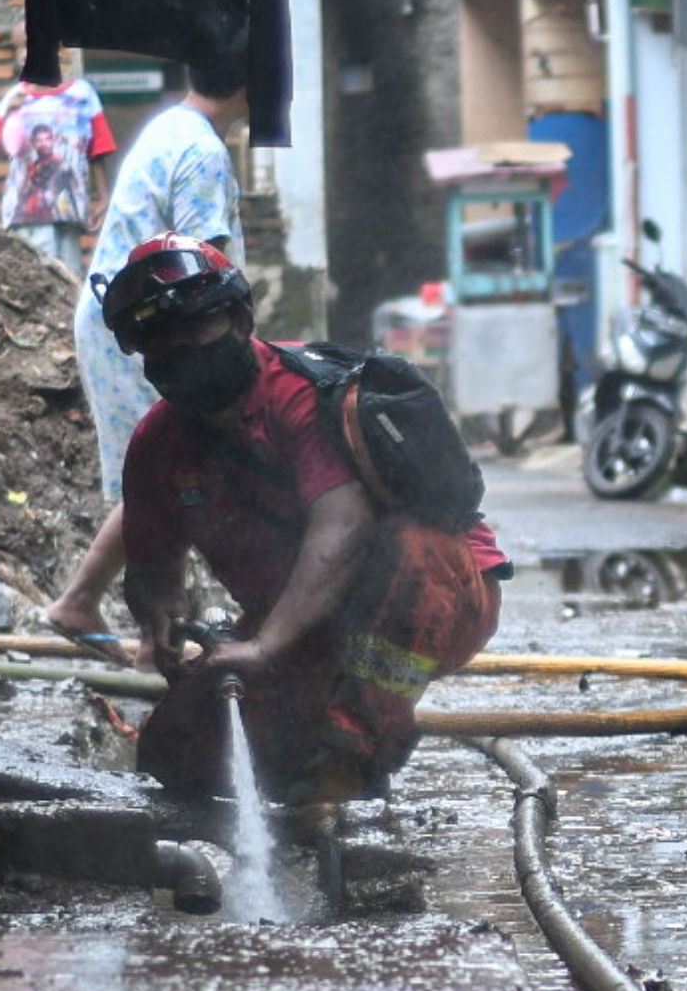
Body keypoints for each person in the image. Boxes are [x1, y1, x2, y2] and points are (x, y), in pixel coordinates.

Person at [96, 236, 507, 805]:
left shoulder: (298, 395)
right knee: (178, 759)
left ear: (239, 319)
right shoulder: (157, 444)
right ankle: (303, 759)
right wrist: (161, 623)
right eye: (159, 341)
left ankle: (350, 761)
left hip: (434, 593)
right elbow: (152, 569)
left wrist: (265, 649)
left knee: (412, 550)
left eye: (192, 329)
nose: (178, 350)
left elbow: (344, 530)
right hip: (302, 621)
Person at [46, 61, 252, 652]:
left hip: (124, 317)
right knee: (167, 474)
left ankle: (117, 620)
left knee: (162, 474)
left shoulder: (171, 127)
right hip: (148, 327)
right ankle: (105, 615)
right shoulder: (203, 152)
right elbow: (200, 269)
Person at [0, 59, 115, 276]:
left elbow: (97, 147)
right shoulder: (15, 97)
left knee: (70, 276)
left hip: (69, 208)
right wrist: (9, 114)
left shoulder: (82, 94)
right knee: (40, 276)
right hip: (28, 212)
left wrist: (103, 195)